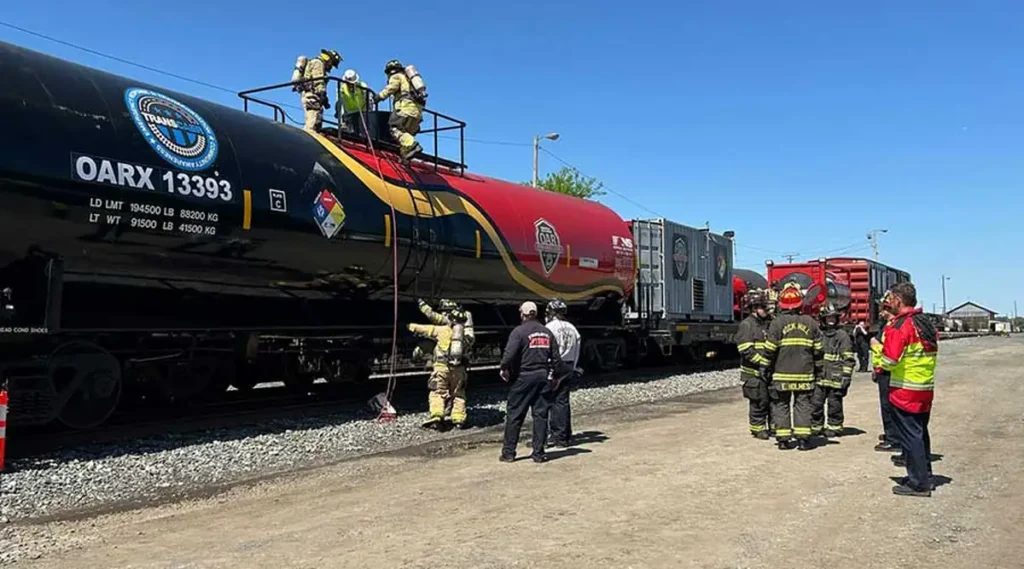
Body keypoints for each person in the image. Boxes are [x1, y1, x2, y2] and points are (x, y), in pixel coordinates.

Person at [875, 282, 939, 497]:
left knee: (910, 436)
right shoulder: (924, 323)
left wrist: (877, 353)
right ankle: (923, 475)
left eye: (890, 298)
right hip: (924, 388)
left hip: (904, 391)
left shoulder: (900, 326)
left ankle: (918, 483)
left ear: (898, 300)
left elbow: (890, 360)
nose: (887, 301)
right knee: (921, 434)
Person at [499, 301, 565, 463]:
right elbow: (556, 359)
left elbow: (509, 354)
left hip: (524, 377)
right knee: (541, 415)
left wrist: (504, 368)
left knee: (515, 414)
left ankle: (509, 453)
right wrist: (556, 377)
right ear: (535, 314)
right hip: (543, 378)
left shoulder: (519, 332)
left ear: (523, 314)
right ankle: (539, 453)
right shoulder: (547, 332)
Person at [764, 283, 824, 451]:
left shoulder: (776, 323)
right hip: (805, 374)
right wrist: (819, 369)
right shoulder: (810, 322)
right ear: (800, 304)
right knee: (803, 405)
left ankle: (783, 440)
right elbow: (819, 350)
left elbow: (769, 350)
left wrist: (764, 368)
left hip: (781, 374)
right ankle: (803, 440)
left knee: (780, 405)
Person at [407, 298, 474, 429]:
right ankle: (458, 420)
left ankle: (437, 416)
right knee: (459, 395)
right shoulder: (468, 336)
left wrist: (409, 326)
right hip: (459, 370)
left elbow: (425, 329)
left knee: (437, 393)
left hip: (441, 368)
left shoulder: (442, 330)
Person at [810, 303, 856, 438]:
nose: (831, 320)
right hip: (819, 376)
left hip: (836, 377)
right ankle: (816, 426)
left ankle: (834, 427)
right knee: (815, 403)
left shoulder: (842, 336)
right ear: (823, 319)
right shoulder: (818, 334)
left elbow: (848, 358)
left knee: (834, 404)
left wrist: (846, 377)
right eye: (828, 318)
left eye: (833, 318)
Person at [735, 290, 773, 439]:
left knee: (771, 400)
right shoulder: (747, 325)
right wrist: (763, 362)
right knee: (758, 402)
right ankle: (758, 429)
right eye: (764, 307)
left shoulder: (768, 323)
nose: (767, 310)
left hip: (767, 371)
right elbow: (746, 350)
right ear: (754, 308)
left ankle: (773, 427)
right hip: (754, 373)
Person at [544, 298, 581, 448]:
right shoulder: (573, 328)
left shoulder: (549, 327)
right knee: (563, 401)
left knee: (550, 402)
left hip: (554, 366)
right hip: (569, 365)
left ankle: (556, 435)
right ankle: (565, 435)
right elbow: (577, 349)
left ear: (551, 312)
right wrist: (574, 367)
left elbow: (548, 349)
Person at [376, 59, 424, 160]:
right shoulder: (409, 79)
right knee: (405, 134)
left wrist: (378, 97)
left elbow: (390, 88)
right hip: (417, 112)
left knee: (394, 129)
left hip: (405, 109)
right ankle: (405, 155)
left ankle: (412, 144)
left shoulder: (396, 76)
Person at [872, 294, 901, 453]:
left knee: (888, 405)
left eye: (883, 309)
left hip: (888, 370)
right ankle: (892, 434)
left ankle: (893, 439)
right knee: (888, 405)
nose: (881, 313)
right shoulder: (889, 324)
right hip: (884, 369)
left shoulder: (892, 326)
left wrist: (875, 345)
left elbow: (887, 350)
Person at [297, 49, 342, 133]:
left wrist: (324, 100)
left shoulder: (318, 63)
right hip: (312, 96)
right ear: (329, 59)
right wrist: (323, 94)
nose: (331, 67)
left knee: (316, 122)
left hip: (313, 96)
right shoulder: (318, 63)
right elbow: (318, 81)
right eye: (332, 64)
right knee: (312, 123)